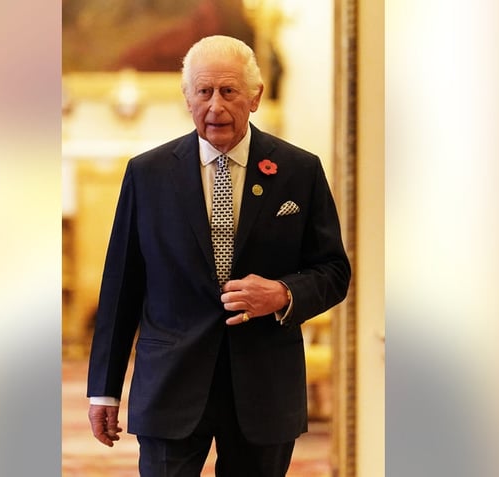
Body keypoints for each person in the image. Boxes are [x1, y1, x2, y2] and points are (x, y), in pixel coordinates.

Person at [87, 35, 351, 477]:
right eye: (203, 92)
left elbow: (334, 270)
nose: (215, 106)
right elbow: (122, 287)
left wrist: (283, 293)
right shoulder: (148, 173)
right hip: (170, 383)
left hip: (264, 387)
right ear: (187, 98)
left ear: (255, 97)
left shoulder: (299, 170)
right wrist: (104, 391)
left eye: (228, 91)